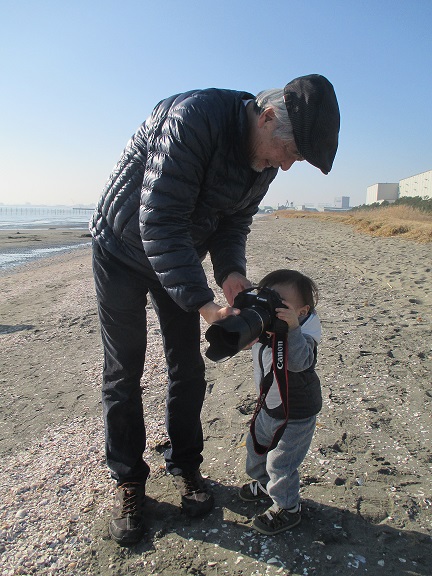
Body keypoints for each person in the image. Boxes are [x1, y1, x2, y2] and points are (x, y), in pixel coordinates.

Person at [90, 75, 340, 545]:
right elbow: (159, 219)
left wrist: (230, 272)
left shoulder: (264, 157)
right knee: (124, 369)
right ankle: (128, 480)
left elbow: (234, 221)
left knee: (187, 366)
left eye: (295, 160)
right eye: (290, 153)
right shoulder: (193, 120)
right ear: (267, 118)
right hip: (122, 248)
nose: (286, 167)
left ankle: (185, 465)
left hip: (176, 254)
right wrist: (204, 303)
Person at [239, 269, 322, 535]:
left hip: (296, 413)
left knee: (281, 463)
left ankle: (288, 508)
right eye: (268, 299)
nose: (273, 309)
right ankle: (265, 485)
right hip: (269, 405)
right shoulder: (268, 326)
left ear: (301, 311)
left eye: (281, 305)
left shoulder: (305, 335)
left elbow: (299, 362)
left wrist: (292, 330)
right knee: (256, 449)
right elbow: (243, 344)